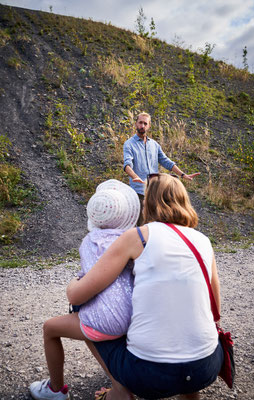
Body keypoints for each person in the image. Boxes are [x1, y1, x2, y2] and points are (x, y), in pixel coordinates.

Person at [66, 173, 223, 400]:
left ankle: (118, 392)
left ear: (147, 202)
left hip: (149, 375)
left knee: (84, 310)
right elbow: (215, 306)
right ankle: (190, 393)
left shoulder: (138, 236)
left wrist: (73, 283)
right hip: (206, 366)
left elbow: (78, 295)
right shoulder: (203, 240)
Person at [29, 179, 140, 400]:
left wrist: (74, 283)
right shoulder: (133, 240)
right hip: (137, 318)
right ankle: (119, 375)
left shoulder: (89, 243)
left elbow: (86, 285)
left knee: (51, 328)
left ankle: (55, 390)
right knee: (86, 315)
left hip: (107, 324)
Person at [123, 112, 200, 224]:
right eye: (140, 122)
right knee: (140, 226)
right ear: (136, 124)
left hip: (155, 192)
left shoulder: (154, 145)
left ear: (149, 126)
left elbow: (166, 162)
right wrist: (135, 177)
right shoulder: (129, 144)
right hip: (139, 192)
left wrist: (183, 175)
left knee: (154, 225)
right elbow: (127, 165)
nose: (142, 126)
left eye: (145, 123)